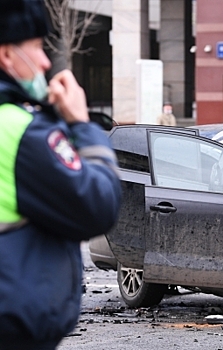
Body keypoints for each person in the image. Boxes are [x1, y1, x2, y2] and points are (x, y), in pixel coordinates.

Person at [0, 1, 121, 349]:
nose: (44, 62)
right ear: (8, 55)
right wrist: (81, 126)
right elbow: (97, 205)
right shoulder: (18, 130)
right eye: (37, 47)